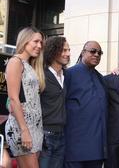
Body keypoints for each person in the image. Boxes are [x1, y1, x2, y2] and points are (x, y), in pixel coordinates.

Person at [5, 26, 45, 168]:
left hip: (35, 127)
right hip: (21, 127)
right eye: (36, 41)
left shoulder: (30, 65)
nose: (39, 46)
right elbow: (13, 98)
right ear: (25, 41)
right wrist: (24, 130)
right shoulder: (15, 62)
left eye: (41, 43)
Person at [64, 41, 107, 168]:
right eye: (93, 51)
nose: (96, 54)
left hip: (97, 148)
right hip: (74, 147)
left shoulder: (101, 78)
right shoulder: (68, 74)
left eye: (100, 53)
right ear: (83, 52)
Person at [39, 36, 70, 168]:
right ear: (52, 51)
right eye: (63, 50)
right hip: (45, 136)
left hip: (62, 135)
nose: (68, 54)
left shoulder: (68, 75)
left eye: (68, 50)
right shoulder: (41, 75)